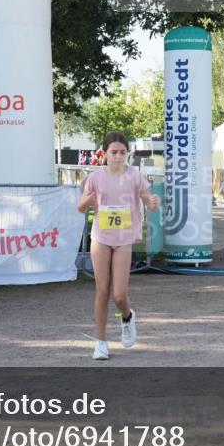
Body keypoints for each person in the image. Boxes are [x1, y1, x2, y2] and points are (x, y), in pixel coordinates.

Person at [77, 132, 160, 360]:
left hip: (124, 240)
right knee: (102, 291)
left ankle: (127, 317)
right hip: (101, 238)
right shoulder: (94, 177)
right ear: (105, 154)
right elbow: (81, 207)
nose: (118, 156)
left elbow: (148, 200)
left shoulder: (134, 176)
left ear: (127, 154)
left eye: (122, 152)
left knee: (120, 295)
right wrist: (88, 199)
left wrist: (153, 202)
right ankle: (101, 343)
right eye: (113, 152)